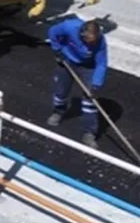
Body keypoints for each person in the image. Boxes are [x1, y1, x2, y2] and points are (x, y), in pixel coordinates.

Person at [46, 16, 109, 149]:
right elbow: (52, 32)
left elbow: (101, 64)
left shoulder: (100, 42)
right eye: (87, 41)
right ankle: (58, 112)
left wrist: (96, 85)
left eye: (92, 42)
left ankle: (89, 133)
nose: (89, 46)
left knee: (89, 101)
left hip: (88, 67)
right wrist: (57, 50)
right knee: (60, 92)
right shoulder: (69, 26)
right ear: (81, 34)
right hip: (67, 61)